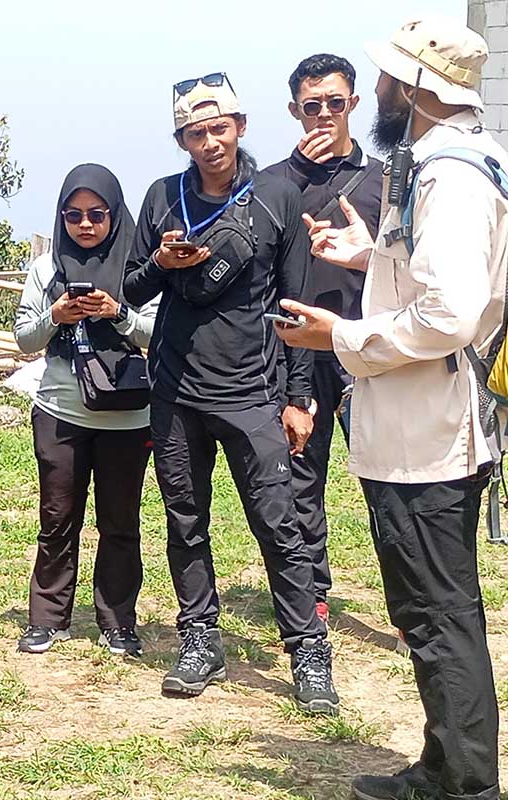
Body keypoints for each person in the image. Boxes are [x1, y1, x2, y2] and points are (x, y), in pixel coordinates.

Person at [276, 17, 505, 800]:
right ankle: (444, 767)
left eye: (383, 78)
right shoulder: (444, 163)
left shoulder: (453, 175)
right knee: (429, 607)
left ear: (413, 90)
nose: (375, 90)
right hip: (416, 422)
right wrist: (372, 255)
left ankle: (468, 786)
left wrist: (342, 334)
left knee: (440, 613)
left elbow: (452, 313)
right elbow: (439, 279)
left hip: (427, 430)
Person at [122, 74, 338, 713]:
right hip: (175, 392)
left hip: (253, 393)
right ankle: (199, 637)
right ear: (181, 139)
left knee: (280, 525)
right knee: (185, 522)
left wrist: (299, 398)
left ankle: (307, 651)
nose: (210, 141)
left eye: (220, 128)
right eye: (196, 132)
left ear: (241, 126)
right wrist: (163, 263)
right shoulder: (163, 197)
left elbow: (295, 307)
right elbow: (131, 292)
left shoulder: (275, 195)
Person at [13, 164, 156, 656]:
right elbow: (24, 338)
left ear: (116, 215)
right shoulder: (46, 269)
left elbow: (158, 335)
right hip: (60, 411)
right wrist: (55, 317)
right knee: (57, 518)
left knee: (120, 521)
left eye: (97, 214)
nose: (86, 224)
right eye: (73, 215)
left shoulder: (139, 273)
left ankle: (118, 621)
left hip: (128, 414)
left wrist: (118, 313)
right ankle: (48, 618)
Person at [263, 54, 383, 624]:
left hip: (367, 346)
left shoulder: (386, 183)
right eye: (313, 106)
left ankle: (410, 600)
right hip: (299, 348)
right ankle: (311, 590)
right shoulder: (277, 183)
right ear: (295, 111)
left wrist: (362, 258)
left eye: (336, 103)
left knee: (387, 478)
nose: (325, 115)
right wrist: (296, 177)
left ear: (353, 104)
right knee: (301, 478)